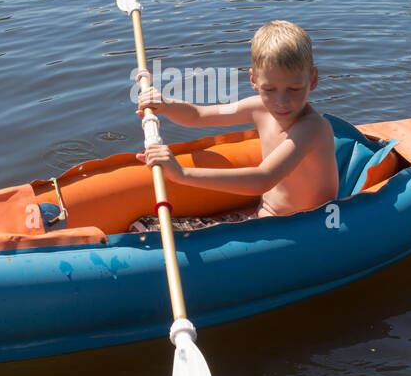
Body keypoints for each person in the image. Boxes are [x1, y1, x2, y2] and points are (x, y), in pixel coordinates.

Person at [132, 20, 339, 230]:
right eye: (269, 89)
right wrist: (165, 105)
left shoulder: (311, 129)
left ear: (313, 79)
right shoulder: (257, 108)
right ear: (254, 80)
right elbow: (198, 116)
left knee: (155, 232)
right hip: (265, 217)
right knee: (144, 226)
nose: (281, 101)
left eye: (294, 88)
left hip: (307, 228)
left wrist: (182, 174)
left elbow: (263, 179)